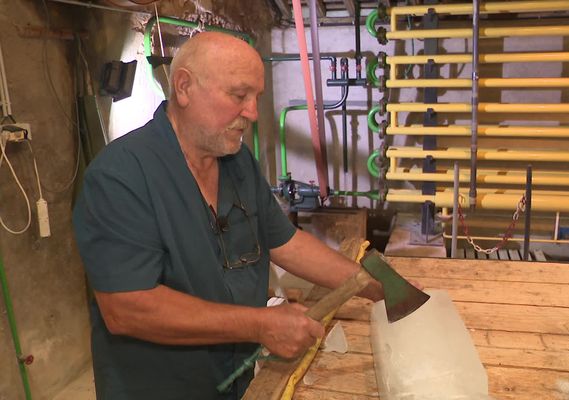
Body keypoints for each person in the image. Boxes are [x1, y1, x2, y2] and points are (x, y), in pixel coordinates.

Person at [73, 31, 383, 400]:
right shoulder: (121, 176)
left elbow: (285, 242)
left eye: (256, 98)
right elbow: (127, 308)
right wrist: (260, 324)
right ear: (184, 86)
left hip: (236, 381)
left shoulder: (236, 162)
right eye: (239, 96)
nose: (252, 112)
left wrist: (370, 284)